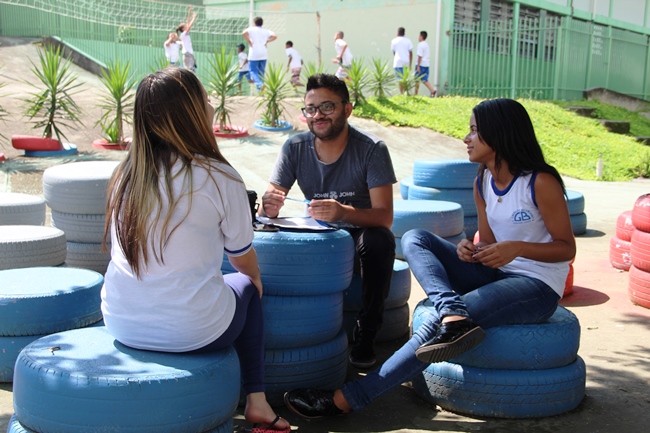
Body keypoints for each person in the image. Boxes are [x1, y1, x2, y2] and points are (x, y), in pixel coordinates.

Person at [283, 98, 576, 419]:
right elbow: (489, 244)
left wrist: (517, 248)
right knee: (415, 238)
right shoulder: (483, 182)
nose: (467, 138)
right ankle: (452, 312)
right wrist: (472, 249)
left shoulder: (540, 182)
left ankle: (345, 400)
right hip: (497, 273)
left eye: (475, 131)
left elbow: (566, 248)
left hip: (536, 287)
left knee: (433, 328)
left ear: (501, 133)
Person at [100, 67, 291, 433]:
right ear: (194, 114)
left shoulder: (124, 175)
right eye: (204, 101)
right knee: (248, 287)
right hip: (193, 332)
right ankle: (258, 401)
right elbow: (241, 257)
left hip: (120, 322)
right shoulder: (221, 176)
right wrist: (253, 279)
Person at [260, 73, 396, 369]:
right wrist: (269, 205)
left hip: (361, 232)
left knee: (379, 241)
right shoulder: (294, 146)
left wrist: (343, 212)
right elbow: (274, 194)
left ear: (347, 109)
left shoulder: (372, 149)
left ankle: (366, 333)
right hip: (319, 235)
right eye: (311, 108)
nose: (317, 115)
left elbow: (385, 216)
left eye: (327, 107)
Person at [242, 16, 277, 91]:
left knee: (253, 70)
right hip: (263, 53)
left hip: (254, 53)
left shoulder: (251, 29)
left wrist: (249, 41)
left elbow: (244, 33)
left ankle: (259, 84)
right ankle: (260, 91)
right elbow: (274, 36)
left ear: (254, 23)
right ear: (262, 23)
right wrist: (267, 41)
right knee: (261, 72)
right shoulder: (266, 31)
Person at [390, 27, 413, 94]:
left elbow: (394, 52)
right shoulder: (408, 41)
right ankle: (405, 92)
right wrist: (410, 64)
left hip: (398, 62)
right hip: (406, 61)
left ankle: (401, 93)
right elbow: (411, 52)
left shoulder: (394, 41)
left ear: (398, 32)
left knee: (399, 79)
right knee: (405, 78)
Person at [414, 31, 436, 97]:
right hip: (426, 64)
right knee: (423, 79)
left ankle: (416, 94)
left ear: (421, 36)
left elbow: (420, 56)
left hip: (421, 65)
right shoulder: (427, 45)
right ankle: (432, 91)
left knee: (418, 79)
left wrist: (418, 65)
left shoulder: (420, 45)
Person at [176, 6, 198, 71]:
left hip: (189, 54)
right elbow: (190, 25)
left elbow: (188, 22)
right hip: (187, 54)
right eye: (185, 25)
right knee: (190, 70)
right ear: (183, 28)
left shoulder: (185, 34)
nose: (186, 25)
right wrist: (194, 18)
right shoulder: (183, 34)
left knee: (192, 70)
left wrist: (190, 11)